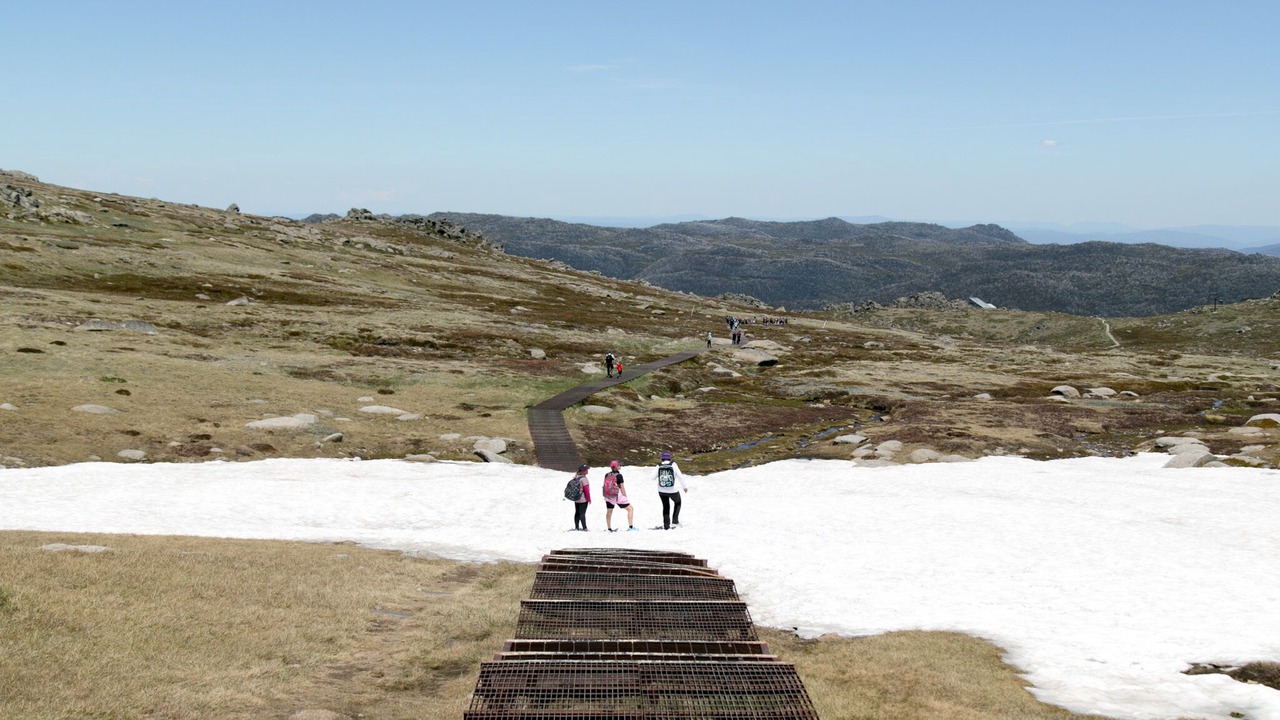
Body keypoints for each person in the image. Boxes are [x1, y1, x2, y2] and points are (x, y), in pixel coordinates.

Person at [653, 451, 688, 530]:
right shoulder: (674, 465)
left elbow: (652, 477)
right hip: (673, 490)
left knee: (666, 506)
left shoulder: (658, 466)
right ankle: (675, 521)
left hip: (661, 490)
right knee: (678, 502)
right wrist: (684, 487)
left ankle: (666, 525)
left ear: (662, 458)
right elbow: (680, 476)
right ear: (669, 458)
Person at [602, 460, 636, 531]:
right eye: (619, 465)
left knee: (609, 511)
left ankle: (609, 528)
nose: (620, 466)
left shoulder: (607, 475)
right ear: (616, 467)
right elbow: (622, 487)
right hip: (617, 496)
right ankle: (631, 527)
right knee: (630, 509)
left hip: (608, 496)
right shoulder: (619, 475)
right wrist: (625, 496)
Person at [572, 464, 591, 531]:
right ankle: (584, 527)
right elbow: (586, 490)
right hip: (583, 499)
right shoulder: (584, 479)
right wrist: (588, 499)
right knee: (582, 513)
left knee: (577, 512)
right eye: (586, 469)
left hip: (576, 498)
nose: (587, 471)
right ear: (583, 471)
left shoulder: (576, 477)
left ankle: (576, 527)